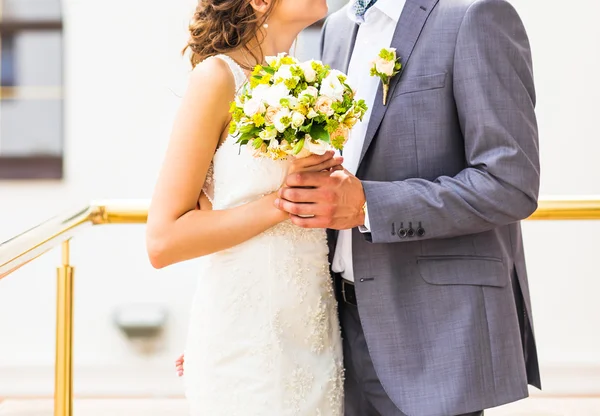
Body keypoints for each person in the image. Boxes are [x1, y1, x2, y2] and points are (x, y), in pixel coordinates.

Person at [274, 0, 542, 415]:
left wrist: (368, 205)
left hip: (434, 332)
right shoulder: (336, 28)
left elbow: (510, 183)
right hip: (337, 330)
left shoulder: (474, 15)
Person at [146, 0, 346, 414]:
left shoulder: (309, 82)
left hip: (314, 327)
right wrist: (281, 204)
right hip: (246, 338)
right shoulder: (217, 78)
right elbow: (163, 240)